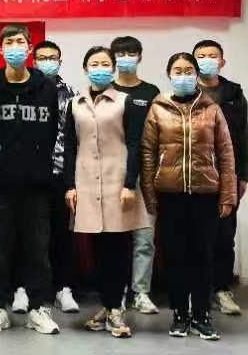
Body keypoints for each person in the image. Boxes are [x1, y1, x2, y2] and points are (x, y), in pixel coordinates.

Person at [141, 52, 237, 341]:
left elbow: (226, 153)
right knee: (175, 257)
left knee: (203, 255)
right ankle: (180, 314)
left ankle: (202, 315)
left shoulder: (212, 109)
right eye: (177, 71)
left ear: (196, 75)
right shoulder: (158, 108)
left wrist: (228, 195)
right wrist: (150, 194)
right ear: (169, 75)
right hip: (169, 194)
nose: (182, 76)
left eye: (188, 71)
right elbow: (147, 153)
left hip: (205, 194)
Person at [0, 25, 61, 336]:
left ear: (29, 48)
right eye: (8, 42)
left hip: (36, 188)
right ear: (0, 50)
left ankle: (38, 308)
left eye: (20, 41)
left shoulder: (46, 90)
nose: (14, 47)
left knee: (38, 251)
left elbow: (52, 135)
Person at [63, 46, 149, 339]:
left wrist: (129, 184)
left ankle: (115, 308)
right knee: (97, 249)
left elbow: (135, 144)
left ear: (113, 69)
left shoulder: (126, 102)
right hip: (86, 183)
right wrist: (70, 185)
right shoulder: (75, 104)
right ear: (85, 69)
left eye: (104, 64)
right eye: (94, 64)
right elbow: (70, 146)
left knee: (118, 247)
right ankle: (107, 304)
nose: (99, 68)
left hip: (117, 183)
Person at [193, 39, 248, 316]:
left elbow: (243, 136)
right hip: (193, 173)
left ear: (222, 61)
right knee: (193, 235)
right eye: (201, 56)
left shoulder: (234, 94)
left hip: (227, 173)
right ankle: (196, 290)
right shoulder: (184, 92)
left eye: (212, 56)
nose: (206, 60)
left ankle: (222, 289)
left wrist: (244, 174)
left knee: (225, 235)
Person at [110, 36, 160, 315]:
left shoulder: (151, 92)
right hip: (113, 174)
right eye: (120, 53)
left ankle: (141, 292)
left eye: (131, 53)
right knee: (115, 239)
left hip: (146, 174)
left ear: (139, 56)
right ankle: (116, 293)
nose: (125, 58)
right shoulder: (106, 89)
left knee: (144, 238)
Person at [34, 39, 79, 314]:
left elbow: (75, 138)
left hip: (61, 173)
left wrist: (72, 179)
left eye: (52, 58)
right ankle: (26, 288)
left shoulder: (72, 94)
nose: (47, 62)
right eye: (42, 57)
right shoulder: (24, 90)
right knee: (30, 235)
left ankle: (64, 288)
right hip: (31, 173)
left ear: (60, 62)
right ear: (34, 61)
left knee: (62, 234)